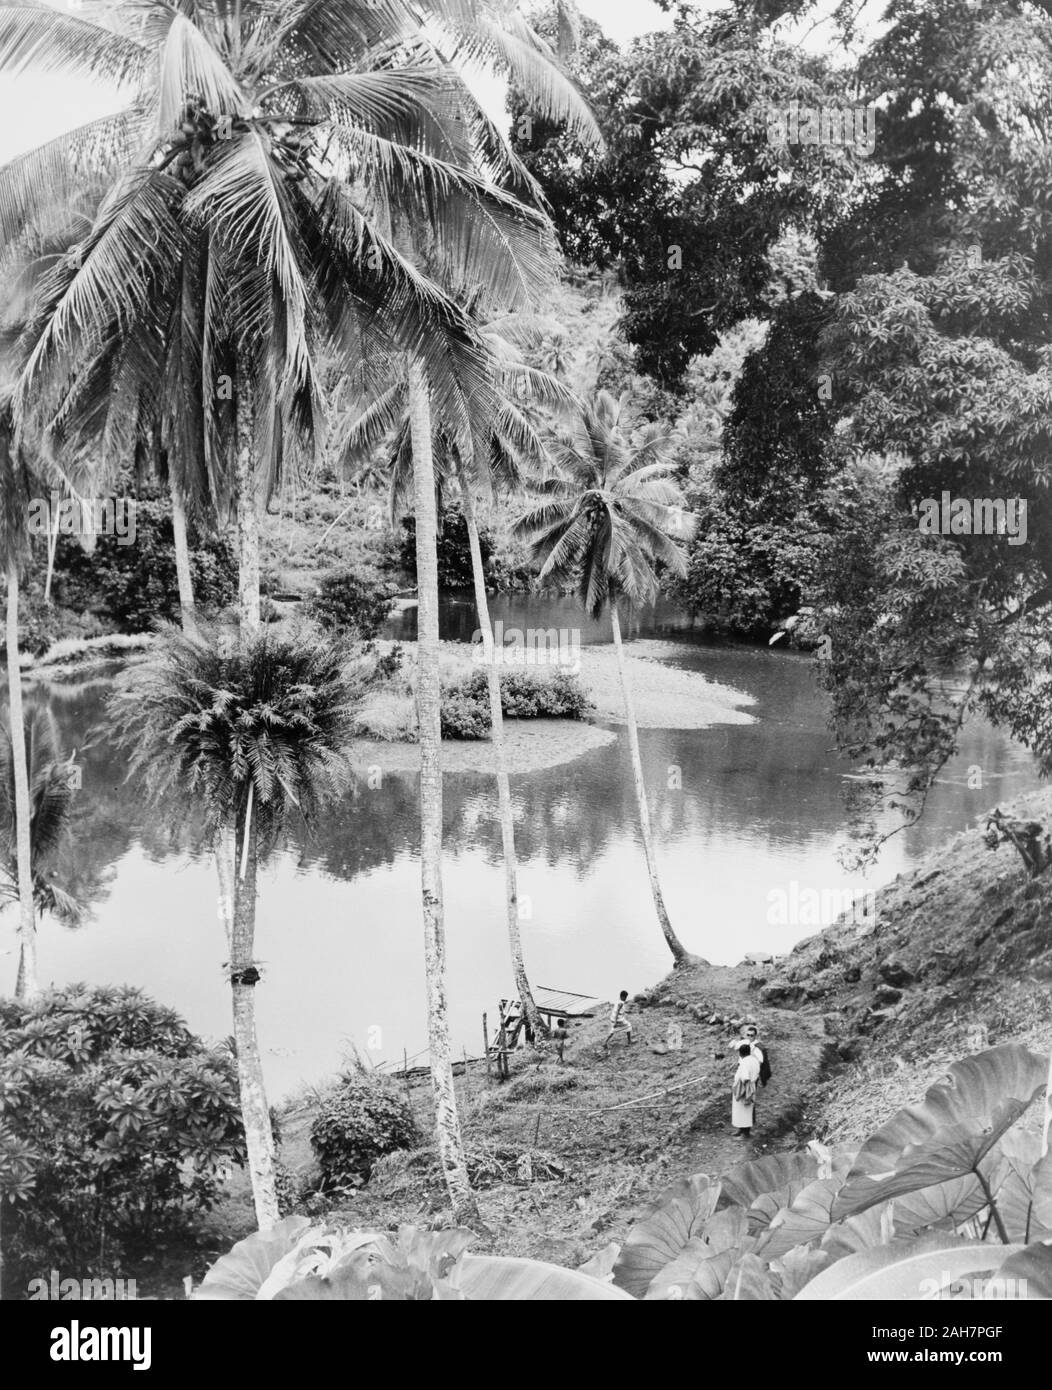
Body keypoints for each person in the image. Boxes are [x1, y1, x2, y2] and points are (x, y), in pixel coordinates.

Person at [732, 1042, 760, 1138]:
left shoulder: (744, 1062)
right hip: (752, 1086)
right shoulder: (754, 1060)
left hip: (744, 1087)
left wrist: (744, 1090)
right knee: (746, 1110)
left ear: (740, 1053)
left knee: (743, 1110)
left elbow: (745, 1077)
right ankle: (741, 1130)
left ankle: (745, 1133)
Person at [742, 1023, 771, 1088]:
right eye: (748, 1035)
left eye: (751, 1035)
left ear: (755, 1036)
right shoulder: (747, 1043)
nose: (749, 1037)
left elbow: (761, 1063)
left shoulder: (759, 1047)